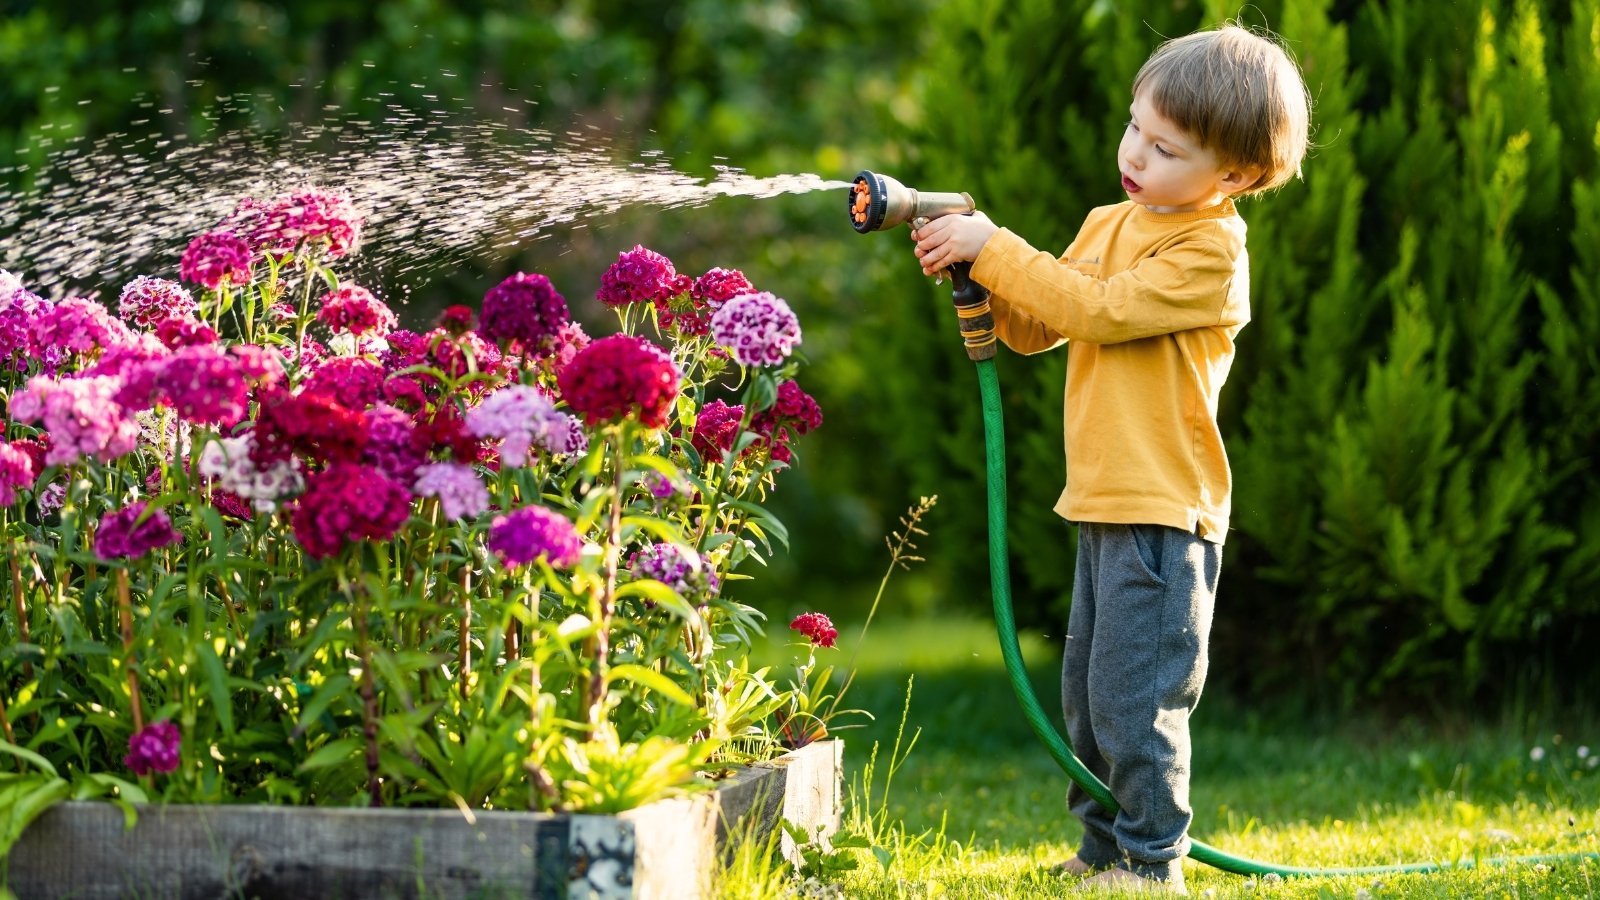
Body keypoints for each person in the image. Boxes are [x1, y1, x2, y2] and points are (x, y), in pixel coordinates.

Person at [910, 24, 1312, 895]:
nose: (1136, 153)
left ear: (1234, 176)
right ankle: (1102, 849)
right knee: (1091, 703)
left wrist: (997, 247)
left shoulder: (1213, 250)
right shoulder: (1110, 221)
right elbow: (1040, 323)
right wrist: (974, 274)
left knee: (1138, 705)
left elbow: (1102, 311)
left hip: (1167, 510)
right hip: (1102, 497)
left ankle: (1152, 859)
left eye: (1166, 148)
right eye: (1136, 128)